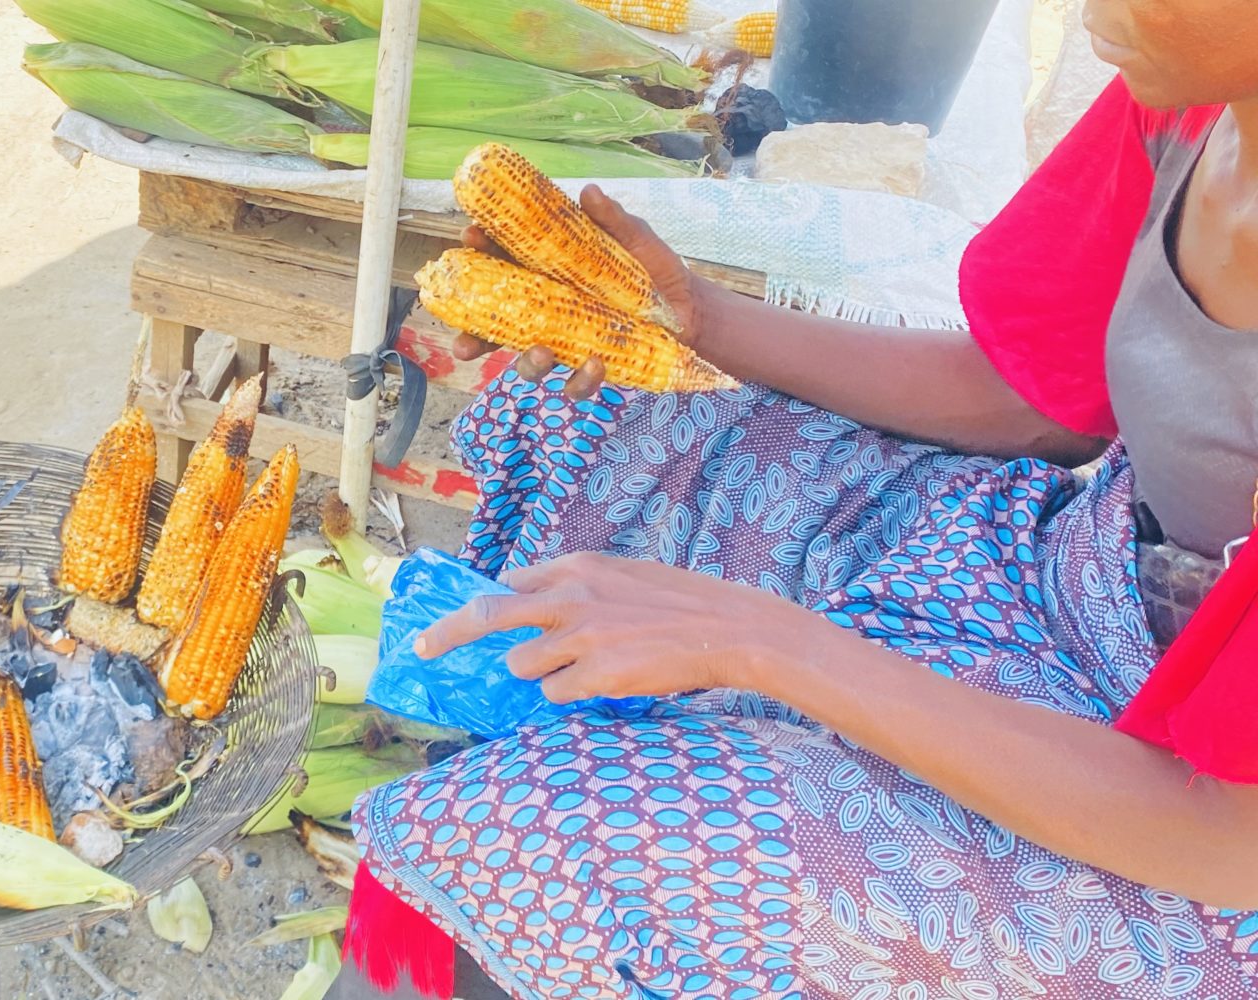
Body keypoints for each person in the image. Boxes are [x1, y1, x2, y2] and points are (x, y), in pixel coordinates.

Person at [327, 1, 1258, 997]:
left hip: (1184, 847)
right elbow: (1029, 393)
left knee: (576, 830)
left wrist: (768, 643)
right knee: (591, 425)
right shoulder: (1191, 97)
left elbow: (1223, 834)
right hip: (1081, 580)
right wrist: (695, 317)